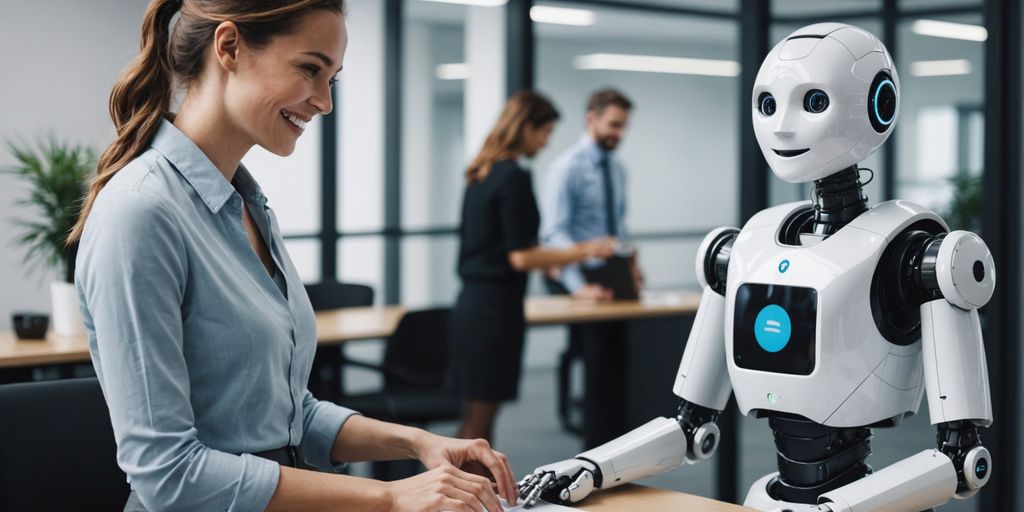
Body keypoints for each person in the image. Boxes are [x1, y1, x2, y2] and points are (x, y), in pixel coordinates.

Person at [69, 1, 517, 510]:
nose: (324, 102)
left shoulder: (247, 207)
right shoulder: (142, 212)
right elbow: (169, 474)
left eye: (333, 79)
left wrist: (416, 442)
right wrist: (390, 496)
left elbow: (285, 415)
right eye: (310, 69)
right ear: (230, 47)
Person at [451, 90, 616, 444]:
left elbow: (498, 247)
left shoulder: (481, 172)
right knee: (479, 428)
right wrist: (584, 251)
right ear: (526, 128)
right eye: (544, 133)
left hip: (472, 305)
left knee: (475, 422)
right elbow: (521, 256)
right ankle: (457, 497)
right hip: (495, 312)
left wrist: (555, 262)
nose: (545, 143)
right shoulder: (514, 176)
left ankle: (455, 495)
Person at [541, 88, 644, 300]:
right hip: (580, 274)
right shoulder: (566, 168)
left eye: (624, 126)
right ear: (591, 119)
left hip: (614, 270)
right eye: (614, 125)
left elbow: (619, 227)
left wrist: (631, 266)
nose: (620, 134)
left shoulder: (618, 169)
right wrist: (577, 287)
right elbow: (554, 235)